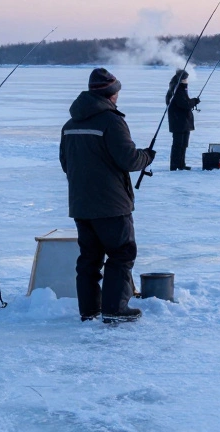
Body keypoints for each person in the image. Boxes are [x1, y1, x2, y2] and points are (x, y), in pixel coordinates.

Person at [60, 68, 155, 323]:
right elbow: (129, 159)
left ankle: (89, 310)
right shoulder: (112, 122)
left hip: (80, 204)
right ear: (111, 94)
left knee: (89, 259)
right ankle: (115, 309)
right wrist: (147, 156)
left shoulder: (70, 124)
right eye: (116, 93)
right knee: (121, 254)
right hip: (112, 205)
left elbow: (65, 163)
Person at [165, 70, 200, 171]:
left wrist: (192, 101)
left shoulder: (178, 89)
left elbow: (185, 103)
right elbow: (184, 104)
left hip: (182, 121)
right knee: (178, 144)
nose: (186, 81)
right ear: (181, 80)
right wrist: (194, 101)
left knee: (183, 144)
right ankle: (175, 165)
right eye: (185, 79)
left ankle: (181, 164)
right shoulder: (177, 90)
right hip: (179, 122)